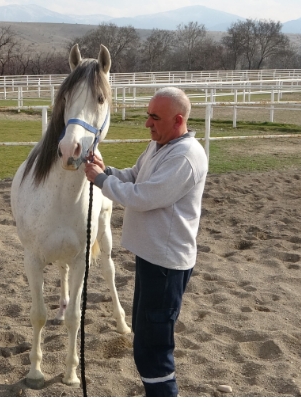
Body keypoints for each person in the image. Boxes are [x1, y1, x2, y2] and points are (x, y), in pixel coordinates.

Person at [84, 86, 208, 397]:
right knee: (145, 339)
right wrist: (106, 170)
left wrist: (100, 181)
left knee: (153, 350)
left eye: (155, 117)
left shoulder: (186, 156)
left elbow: (144, 196)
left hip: (166, 264)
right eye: (147, 115)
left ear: (178, 120)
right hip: (151, 258)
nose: (147, 124)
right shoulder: (160, 145)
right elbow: (136, 176)